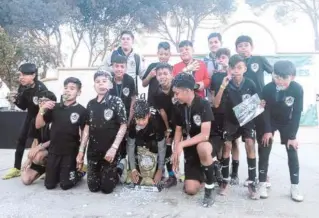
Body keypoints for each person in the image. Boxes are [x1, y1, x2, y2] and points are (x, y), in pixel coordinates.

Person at [214, 55, 260, 199]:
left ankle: (252, 182)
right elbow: (215, 104)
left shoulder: (250, 83)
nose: (236, 71)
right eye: (233, 68)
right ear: (229, 69)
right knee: (227, 145)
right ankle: (225, 181)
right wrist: (222, 85)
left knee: (250, 144)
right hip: (230, 120)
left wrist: (259, 105)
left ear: (245, 69)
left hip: (246, 119)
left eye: (239, 67)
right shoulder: (225, 83)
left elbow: (257, 104)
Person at [172, 73, 219, 207]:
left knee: (202, 148)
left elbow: (204, 135)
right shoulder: (179, 106)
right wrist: (176, 149)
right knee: (190, 189)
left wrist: (182, 144)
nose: (175, 96)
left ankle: (210, 189)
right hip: (191, 144)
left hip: (208, 142)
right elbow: (178, 130)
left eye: (177, 93)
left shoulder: (203, 104)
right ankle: (210, 170)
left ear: (187, 91)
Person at [77, 71, 128, 194]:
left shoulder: (116, 101)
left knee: (107, 189)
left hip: (110, 150)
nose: (101, 84)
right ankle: (102, 172)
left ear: (110, 84)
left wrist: (114, 148)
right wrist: (81, 151)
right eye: (98, 82)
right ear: (94, 85)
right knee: (93, 187)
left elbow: (123, 125)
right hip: (93, 151)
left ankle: (120, 167)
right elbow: (87, 128)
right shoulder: (90, 104)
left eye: (104, 81)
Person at [259, 60, 303, 202]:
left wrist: (292, 136)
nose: (280, 81)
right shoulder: (267, 88)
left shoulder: (297, 89)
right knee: (264, 146)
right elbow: (265, 110)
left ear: (292, 77)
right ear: (272, 75)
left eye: (284, 78)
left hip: (287, 122)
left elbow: (296, 113)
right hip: (270, 120)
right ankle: (262, 183)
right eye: (277, 77)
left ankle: (295, 186)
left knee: (292, 149)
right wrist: (267, 130)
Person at [35, 77, 87, 190]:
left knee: (65, 185)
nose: (68, 90)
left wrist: (81, 153)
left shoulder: (82, 110)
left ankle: (79, 173)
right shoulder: (55, 107)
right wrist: (41, 110)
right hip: (54, 151)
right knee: (49, 185)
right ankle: (56, 172)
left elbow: (84, 133)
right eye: (66, 88)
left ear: (79, 92)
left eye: (72, 88)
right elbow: (38, 125)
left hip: (70, 152)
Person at [235, 35, 273, 187]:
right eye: (240, 46)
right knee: (249, 141)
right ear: (236, 49)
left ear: (252, 47)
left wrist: (269, 95)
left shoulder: (259, 59)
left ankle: (264, 175)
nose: (243, 48)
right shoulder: (236, 63)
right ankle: (252, 176)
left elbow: (274, 74)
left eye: (246, 45)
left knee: (263, 140)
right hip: (246, 106)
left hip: (261, 103)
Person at [2, 63, 48, 180]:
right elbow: (23, 106)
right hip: (29, 117)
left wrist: (40, 122)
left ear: (33, 75)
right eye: (20, 75)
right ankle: (16, 168)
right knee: (21, 140)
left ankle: (46, 168)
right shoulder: (22, 86)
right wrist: (14, 100)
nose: (20, 78)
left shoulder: (41, 89)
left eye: (24, 75)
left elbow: (45, 110)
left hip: (40, 119)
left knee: (41, 144)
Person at [210, 48, 240, 186]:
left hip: (234, 113)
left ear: (229, 59)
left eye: (223, 57)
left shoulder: (236, 75)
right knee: (223, 142)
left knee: (234, 143)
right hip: (219, 112)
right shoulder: (215, 76)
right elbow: (213, 95)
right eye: (219, 58)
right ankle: (222, 172)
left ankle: (235, 173)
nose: (221, 60)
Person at [126, 99, 166, 187]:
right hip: (140, 142)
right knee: (138, 179)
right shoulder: (133, 123)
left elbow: (162, 147)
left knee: (154, 178)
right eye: (138, 119)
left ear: (149, 115)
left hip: (153, 143)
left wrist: (160, 169)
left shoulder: (157, 121)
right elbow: (130, 146)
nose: (140, 123)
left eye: (143, 119)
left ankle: (161, 168)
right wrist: (133, 169)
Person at [21, 90, 56, 185]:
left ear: (53, 102)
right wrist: (29, 159)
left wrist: (40, 147)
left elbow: (57, 139)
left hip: (56, 150)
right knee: (25, 179)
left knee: (38, 156)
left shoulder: (57, 116)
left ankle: (52, 169)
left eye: (45, 101)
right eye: (40, 101)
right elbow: (35, 140)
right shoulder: (36, 118)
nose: (42, 103)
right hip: (42, 150)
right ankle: (44, 168)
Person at [153, 63, 177, 188]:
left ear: (172, 75)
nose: (163, 76)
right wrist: (168, 128)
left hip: (180, 121)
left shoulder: (177, 88)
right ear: (156, 76)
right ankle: (171, 175)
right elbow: (162, 112)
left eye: (165, 73)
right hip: (166, 122)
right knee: (167, 146)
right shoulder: (156, 92)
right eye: (160, 74)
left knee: (181, 147)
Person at [142, 42, 171, 106]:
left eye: (166, 54)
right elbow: (143, 84)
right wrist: (150, 75)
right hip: (152, 103)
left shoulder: (171, 68)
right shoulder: (152, 66)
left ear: (169, 55)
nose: (163, 56)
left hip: (167, 104)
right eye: (161, 54)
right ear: (157, 54)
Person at [203, 33, 223, 104]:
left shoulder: (227, 59)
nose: (213, 44)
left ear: (221, 43)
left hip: (225, 96)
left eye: (216, 42)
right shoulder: (204, 61)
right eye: (210, 43)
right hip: (209, 96)